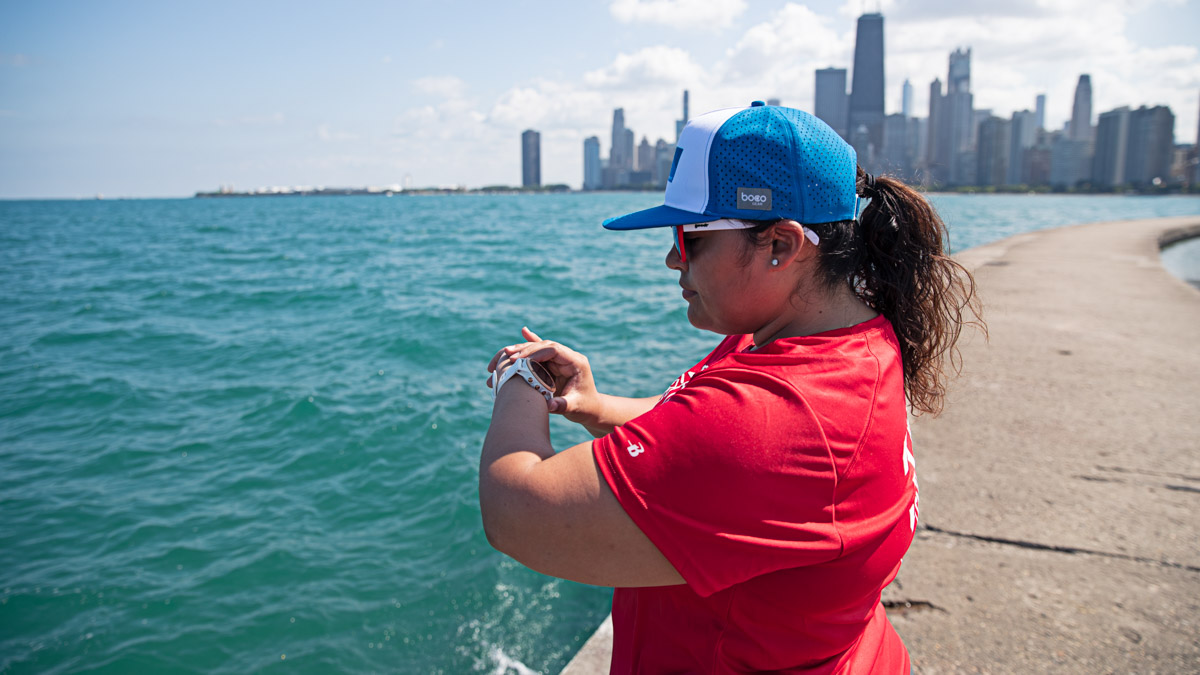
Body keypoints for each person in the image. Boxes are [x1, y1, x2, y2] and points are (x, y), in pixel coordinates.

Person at [480, 101, 983, 673]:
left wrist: (519, 377)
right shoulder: (826, 338)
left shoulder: (782, 418)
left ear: (781, 246)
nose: (673, 258)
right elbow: (693, 424)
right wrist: (597, 407)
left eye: (690, 235)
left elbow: (515, 514)